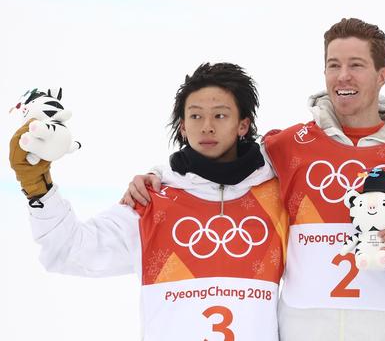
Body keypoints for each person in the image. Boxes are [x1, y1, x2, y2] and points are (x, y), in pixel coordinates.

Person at [124, 18, 385, 340]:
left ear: (382, 75)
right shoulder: (288, 146)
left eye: (356, 65)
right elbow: (221, 166)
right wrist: (160, 175)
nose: (343, 77)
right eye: (333, 65)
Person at [9, 63, 288, 341]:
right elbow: (70, 250)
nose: (207, 127)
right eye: (195, 116)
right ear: (182, 126)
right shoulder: (152, 202)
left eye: (220, 115)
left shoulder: (278, 197)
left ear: (243, 125)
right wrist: (39, 188)